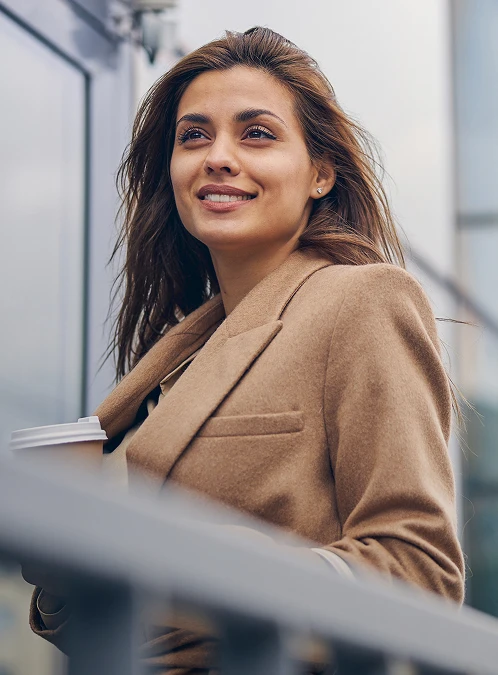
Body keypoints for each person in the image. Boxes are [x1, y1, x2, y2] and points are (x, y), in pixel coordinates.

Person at [24, 26, 464, 673]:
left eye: (256, 133)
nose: (218, 156)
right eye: (193, 136)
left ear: (320, 173)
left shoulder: (365, 302)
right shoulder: (173, 357)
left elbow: (419, 571)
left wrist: (209, 569)